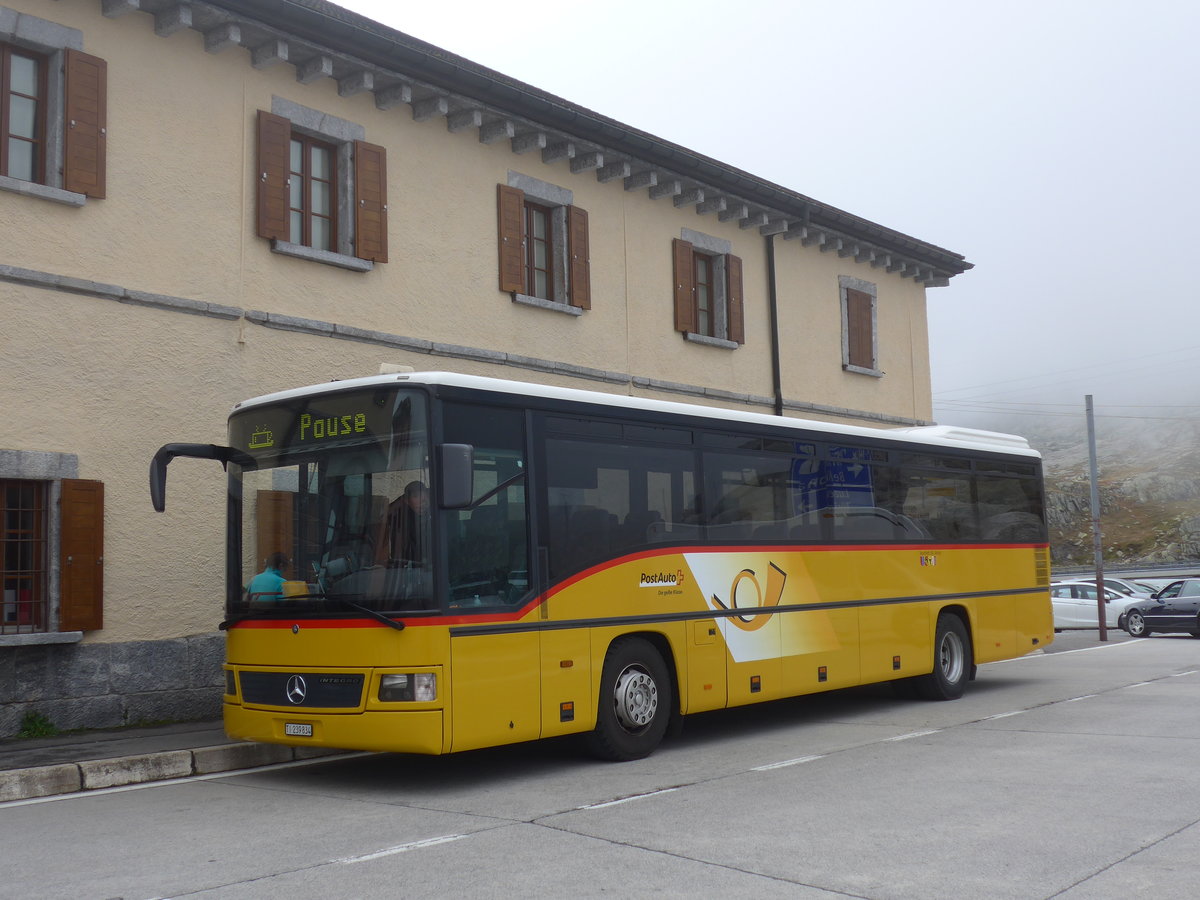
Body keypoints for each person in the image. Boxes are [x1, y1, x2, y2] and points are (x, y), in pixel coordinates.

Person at [389, 481, 429, 565]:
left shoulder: (435, 515)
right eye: (416, 496)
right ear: (407, 501)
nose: (423, 500)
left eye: (425, 495)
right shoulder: (401, 519)